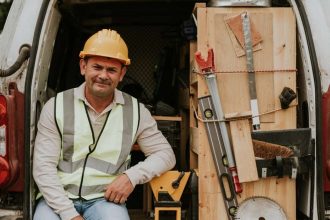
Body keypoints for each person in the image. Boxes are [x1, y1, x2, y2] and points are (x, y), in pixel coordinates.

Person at [33, 29, 176, 220]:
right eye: (97, 67)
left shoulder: (136, 111)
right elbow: (43, 168)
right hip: (57, 198)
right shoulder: (56, 106)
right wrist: (70, 215)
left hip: (104, 200)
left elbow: (165, 155)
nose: (103, 75)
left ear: (122, 74)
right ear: (83, 66)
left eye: (111, 70)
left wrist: (131, 177)